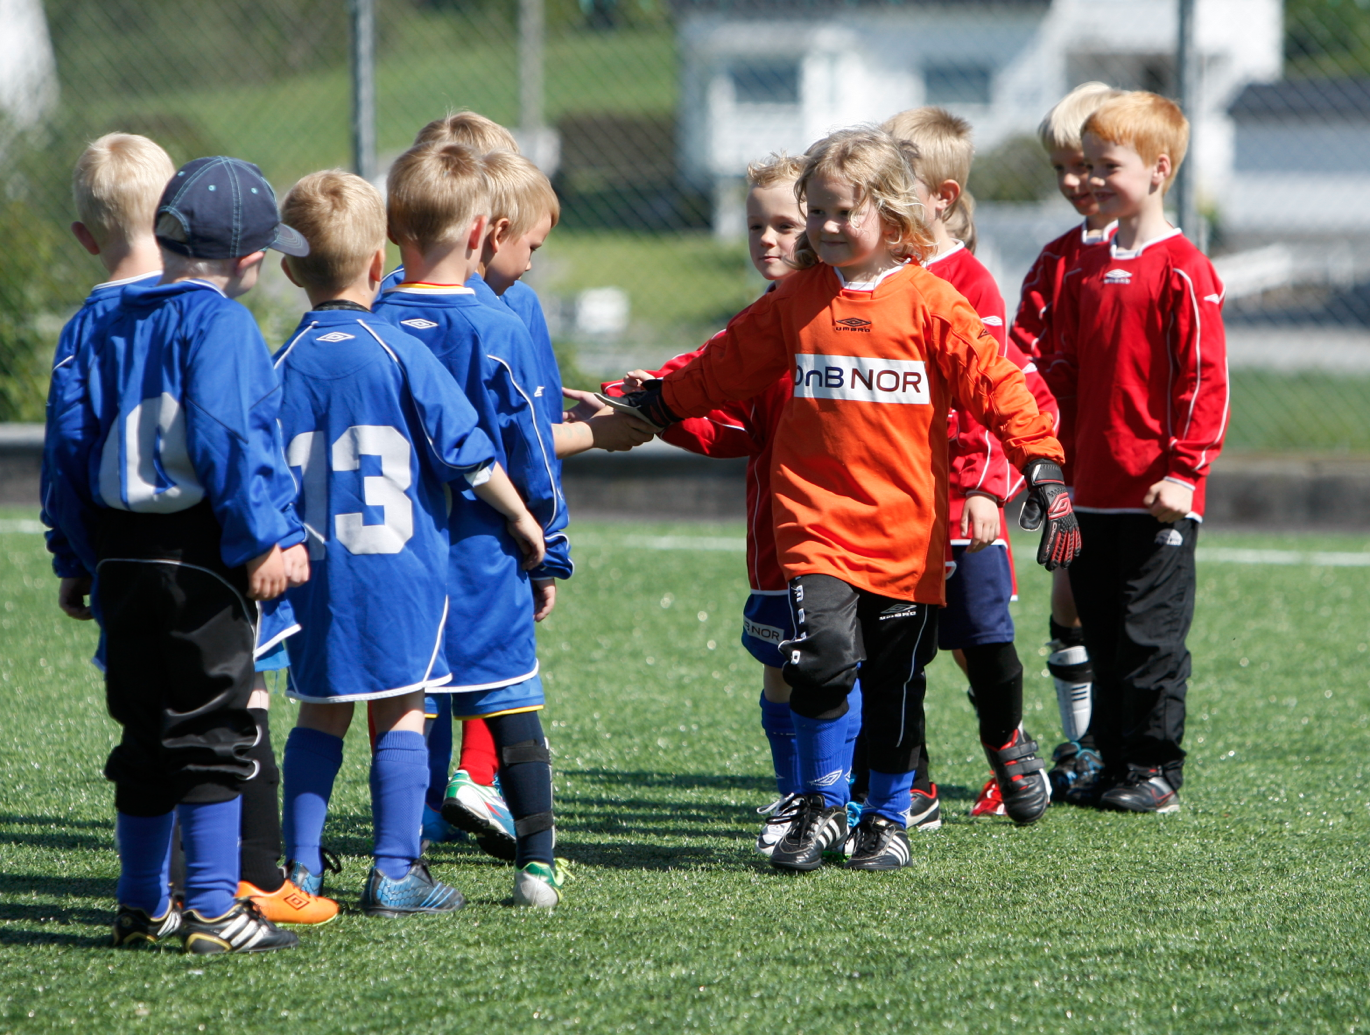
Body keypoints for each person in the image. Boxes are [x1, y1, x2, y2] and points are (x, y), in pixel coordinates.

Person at [607, 128, 1079, 871]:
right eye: (815, 211)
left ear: (892, 216)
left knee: (896, 681)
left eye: (841, 213)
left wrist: (1045, 469)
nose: (825, 227)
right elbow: (725, 364)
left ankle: (885, 818)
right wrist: (662, 401)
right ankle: (824, 806)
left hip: (906, 534)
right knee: (822, 659)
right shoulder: (796, 300)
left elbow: (999, 384)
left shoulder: (931, 303)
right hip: (815, 526)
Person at [44, 156, 312, 953]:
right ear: (249, 258)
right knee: (213, 728)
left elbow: (67, 444)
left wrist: (74, 555)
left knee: (145, 729)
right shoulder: (223, 322)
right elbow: (231, 434)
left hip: (121, 558)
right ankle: (209, 908)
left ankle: (139, 905)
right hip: (199, 553)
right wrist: (265, 535)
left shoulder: (97, 320)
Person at [274, 169, 544, 916]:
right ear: (374, 264)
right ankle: (397, 871)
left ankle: (300, 868)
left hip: (316, 574)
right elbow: (468, 451)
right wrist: (522, 518)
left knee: (320, 711)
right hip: (401, 574)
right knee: (400, 709)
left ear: (290, 269)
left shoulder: (282, 364)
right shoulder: (397, 352)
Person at [609, 151, 875, 856]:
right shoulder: (764, 316)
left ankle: (847, 801)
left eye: (787, 223)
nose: (769, 239)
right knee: (780, 665)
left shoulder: (843, 311)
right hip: (776, 530)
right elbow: (734, 418)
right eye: (757, 224)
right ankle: (802, 798)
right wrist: (653, 404)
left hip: (846, 529)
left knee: (837, 666)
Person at [374, 142, 572, 905]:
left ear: (396, 229)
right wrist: (548, 547)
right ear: (485, 227)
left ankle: (403, 852)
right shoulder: (498, 325)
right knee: (511, 697)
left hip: (396, 552)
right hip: (485, 550)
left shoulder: (373, 320)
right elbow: (528, 449)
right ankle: (536, 866)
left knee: (409, 701)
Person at [1043, 91, 1228, 813]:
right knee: (1107, 637)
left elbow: (1204, 378)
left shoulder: (1183, 267)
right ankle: (1113, 761)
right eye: (1083, 165)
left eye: (1105, 166)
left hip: (1158, 495)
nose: (1088, 179)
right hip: (1090, 491)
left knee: (1151, 641)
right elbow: (1063, 371)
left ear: (1158, 169)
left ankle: (1155, 769)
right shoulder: (1086, 268)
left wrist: (1184, 471)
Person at [882, 107, 1058, 825]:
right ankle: (912, 781)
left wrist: (988, 486)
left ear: (941, 198)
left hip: (963, 506)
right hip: (895, 505)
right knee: (895, 648)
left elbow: (991, 391)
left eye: (896, 190)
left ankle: (1007, 740)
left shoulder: (970, 283)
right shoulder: (880, 277)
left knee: (981, 642)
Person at [1010, 82, 1124, 800]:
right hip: (1069, 467)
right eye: (1061, 169)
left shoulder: (1156, 260)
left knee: (1133, 610)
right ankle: (1082, 743)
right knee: (1070, 598)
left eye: (1088, 164)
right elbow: (1020, 353)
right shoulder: (1053, 261)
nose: (1075, 182)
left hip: (1131, 467)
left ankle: (1132, 749)